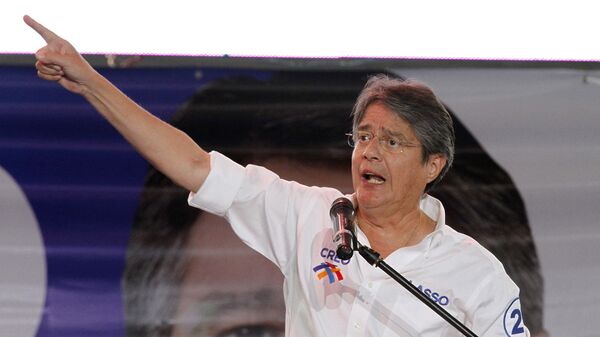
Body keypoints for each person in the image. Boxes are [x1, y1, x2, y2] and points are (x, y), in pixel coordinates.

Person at [25, 15, 532, 336]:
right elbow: (194, 165)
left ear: (433, 166)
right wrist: (90, 82)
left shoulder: (477, 276)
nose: (370, 153)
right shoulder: (307, 214)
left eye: (392, 142)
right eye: (363, 136)